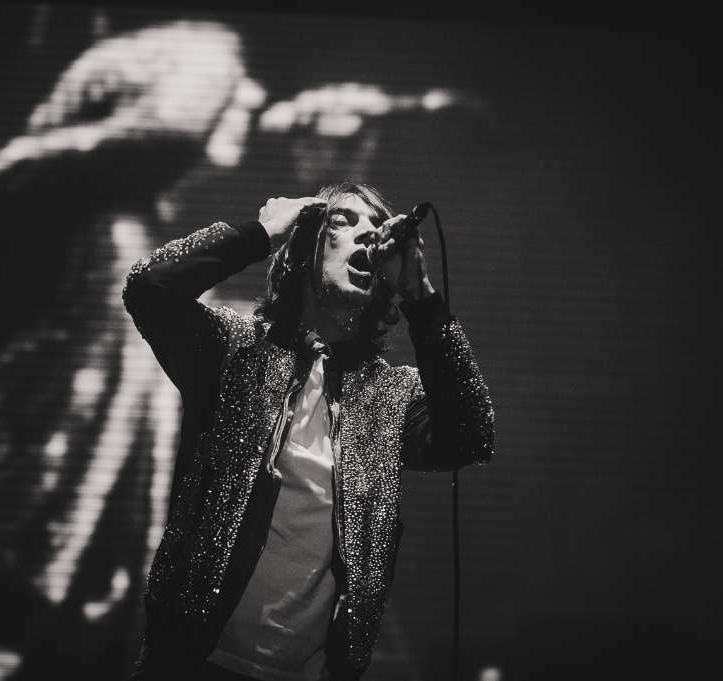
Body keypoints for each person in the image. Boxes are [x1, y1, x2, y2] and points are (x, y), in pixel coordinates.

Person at [123, 181, 495, 680]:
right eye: (344, 221)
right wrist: (258, 234)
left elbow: (472, 434)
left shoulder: (391, 395)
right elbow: (148, 288)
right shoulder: (235, 351)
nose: (368, 235)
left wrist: (420, 296)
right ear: (303, 249)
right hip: (190, 664)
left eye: (376, 227)